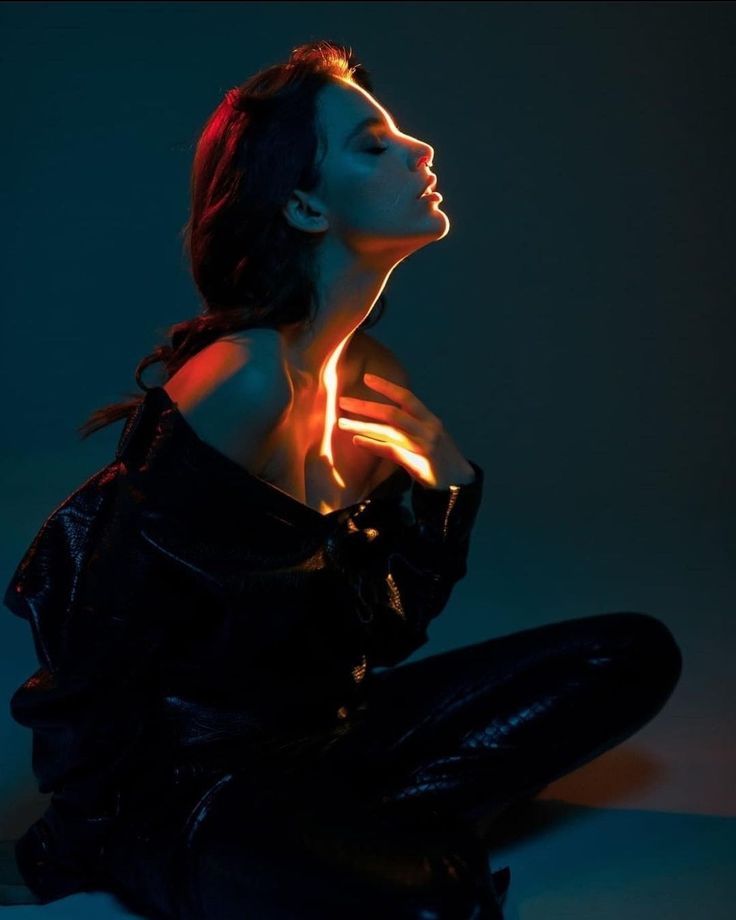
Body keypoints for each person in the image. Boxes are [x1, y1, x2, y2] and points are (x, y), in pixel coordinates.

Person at [4, 41, 682, 920]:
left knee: (629, 655)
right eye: (373, 143)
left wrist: (447, 493)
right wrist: (81, 827)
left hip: (331, 741)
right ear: (304, 204)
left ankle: (345, 845)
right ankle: (317, 856)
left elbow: (381, 636)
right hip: (193, 790)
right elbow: (97, 644)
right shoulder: (240, 380)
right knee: (433, 902)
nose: (420, 151)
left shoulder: (366, 373)